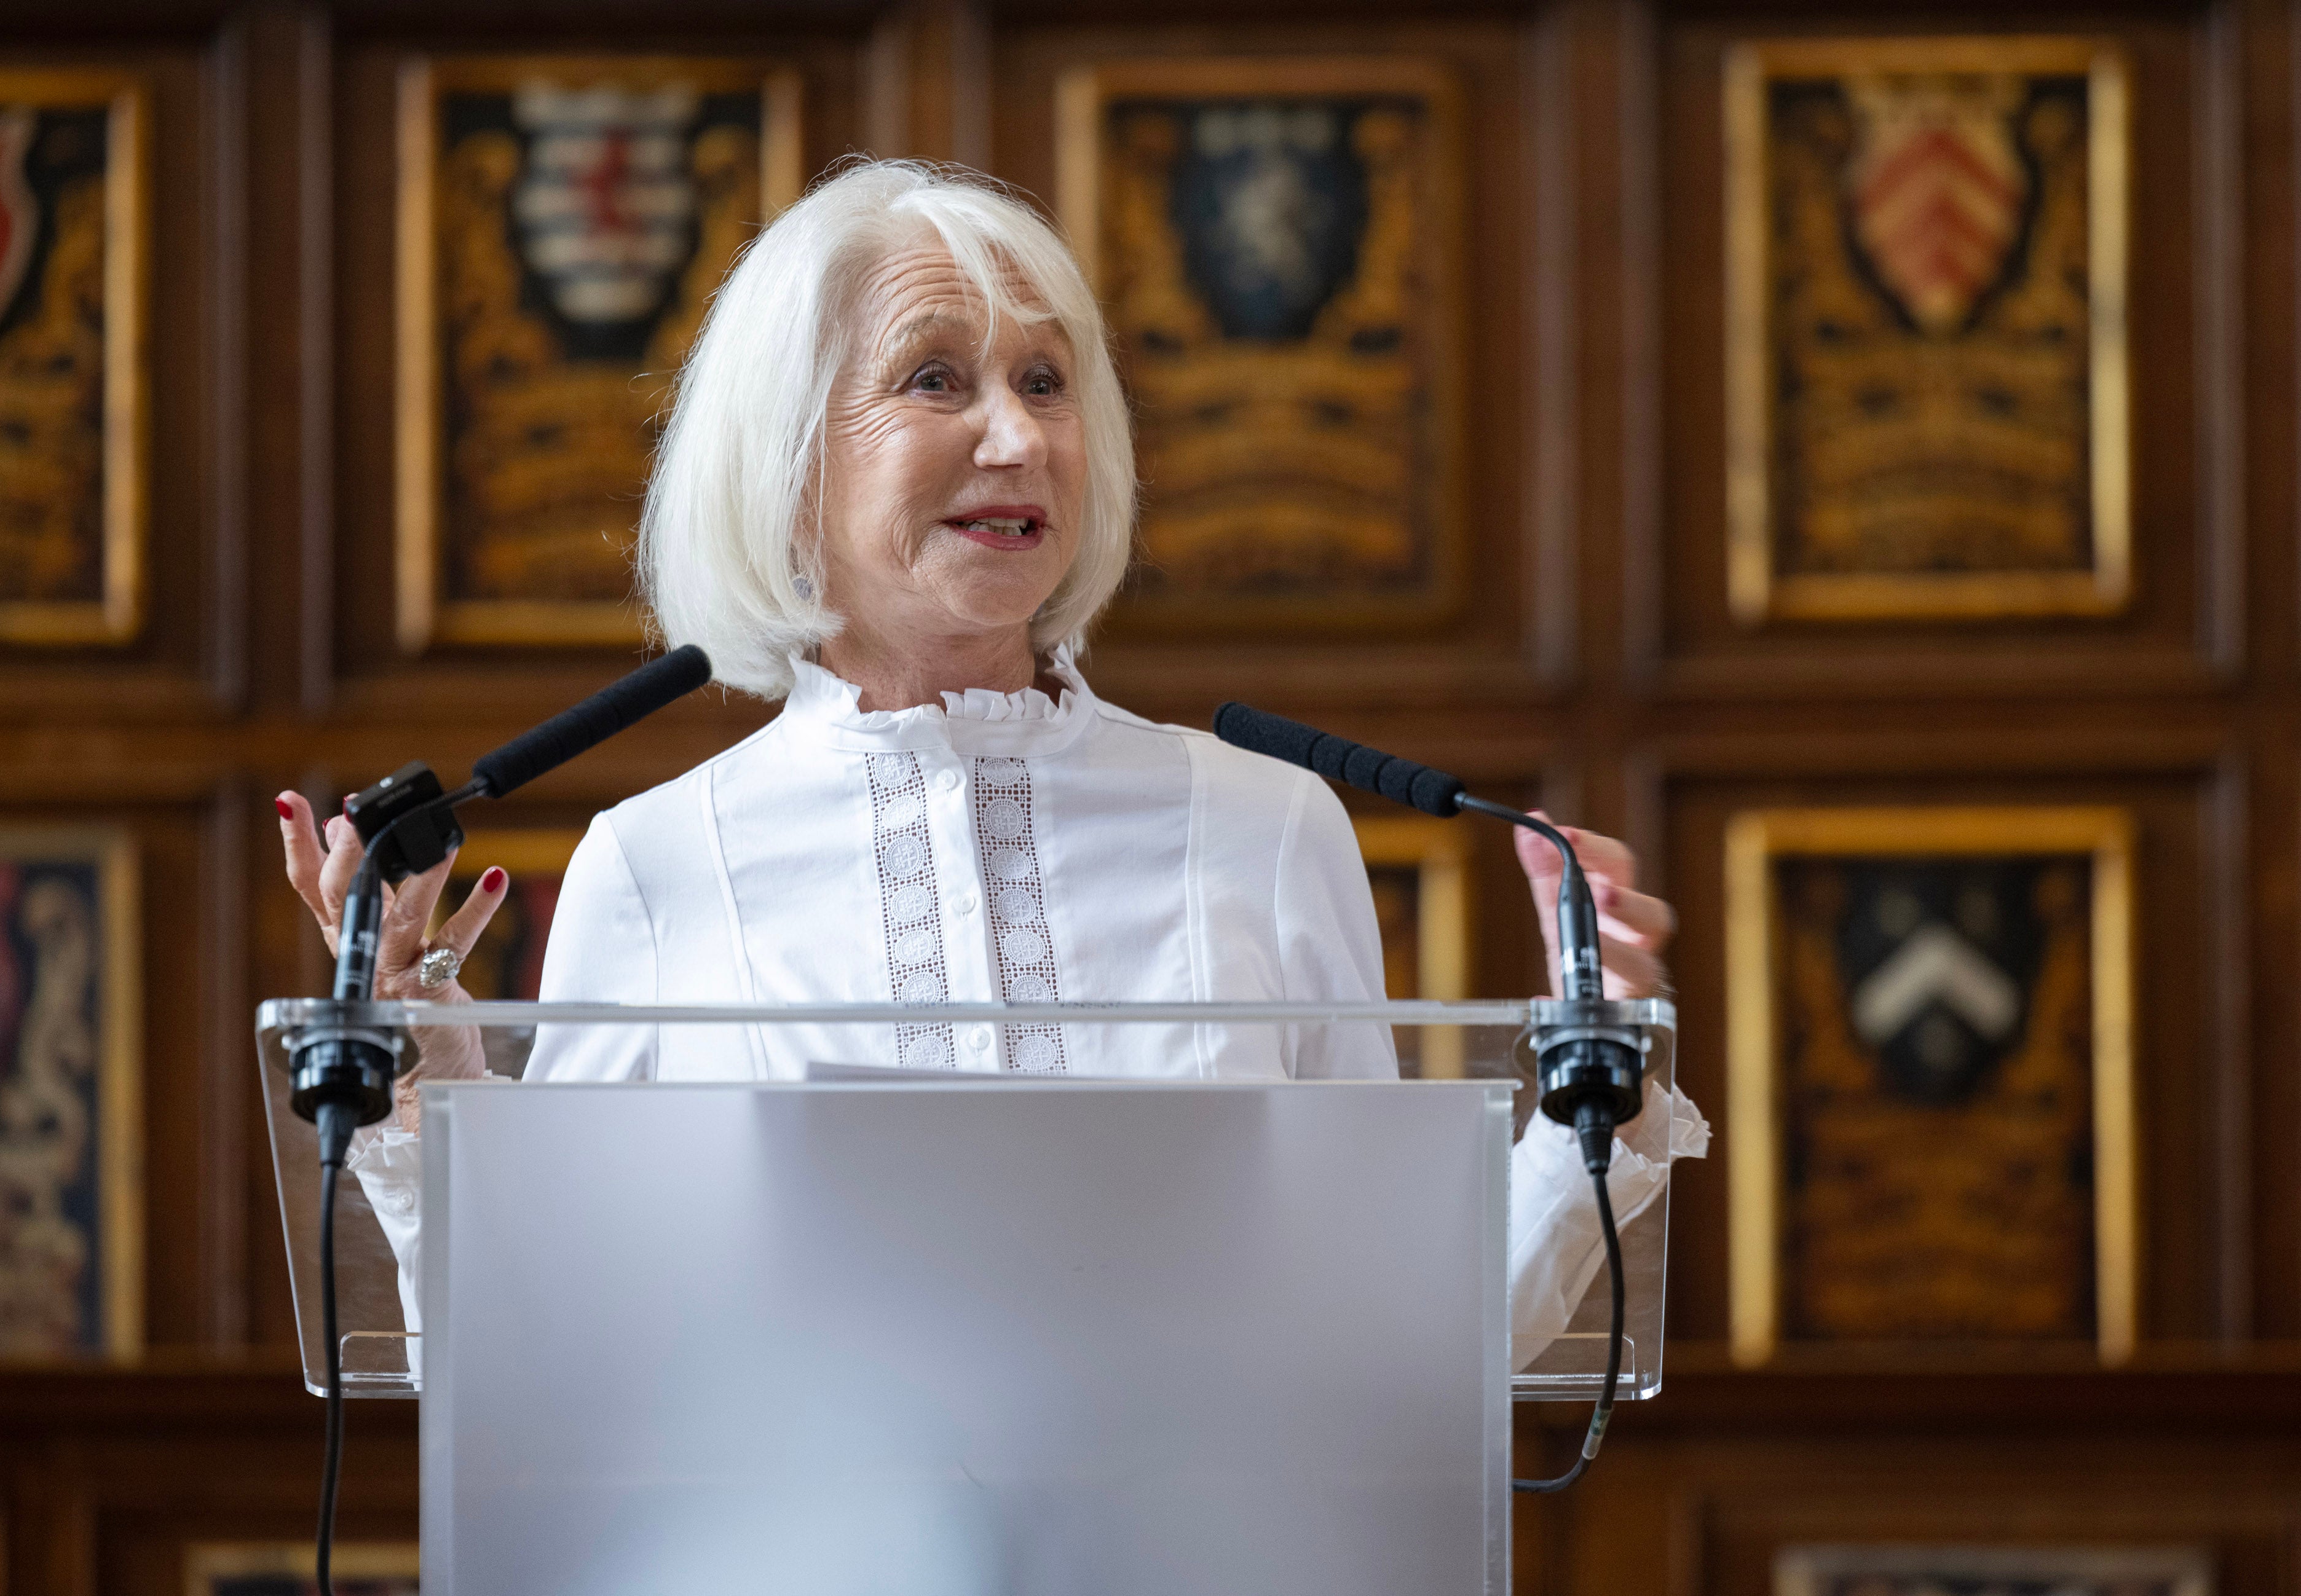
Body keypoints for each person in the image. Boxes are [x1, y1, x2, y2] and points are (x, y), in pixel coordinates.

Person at [274, 160, 1699, 1353]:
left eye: (1046, 382)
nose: (1016, 436)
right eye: (935, 379)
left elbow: (1403, 1342)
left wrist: (1603, 1087)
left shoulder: (1269, 828)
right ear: (788, 464)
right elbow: (542, 1354)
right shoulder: (653, 866)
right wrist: (418, 1071)